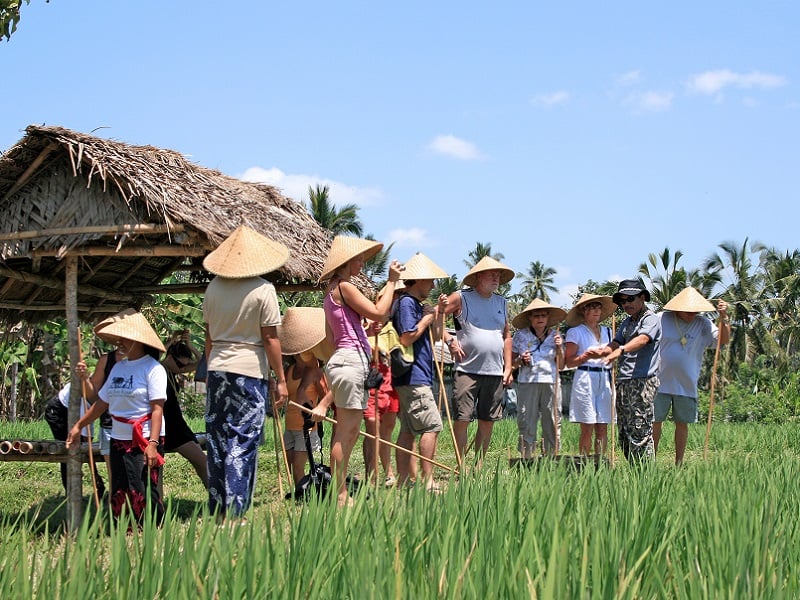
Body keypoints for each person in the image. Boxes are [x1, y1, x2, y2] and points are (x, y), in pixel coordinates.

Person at [202, 225, 289, 519]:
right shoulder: (264, 289)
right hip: (249, 370)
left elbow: (209, 338)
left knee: (217, 438)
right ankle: (236, 511)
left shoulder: (213, 287)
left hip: (218, 368)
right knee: (243, 438)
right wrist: (280, 378)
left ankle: (217, 507)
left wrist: (214, 363)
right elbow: (270, 338)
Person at [318, 235, 403, 507]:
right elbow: (379, 312)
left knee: (348, 430)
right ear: (345, 262)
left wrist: (362, 334)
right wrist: (391, 282)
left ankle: (338, 490)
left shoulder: (330, 294)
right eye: (358, 259)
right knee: (348, 430)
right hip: (350, 362)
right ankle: (340, 493)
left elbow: (334, 340)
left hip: (343, 360)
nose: (362, 263)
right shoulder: (345, 287)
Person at [66, 308, 168, 523]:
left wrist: (153, 443)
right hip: (119, 437)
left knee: (143, 485)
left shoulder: (153, 368)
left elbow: (157, 409)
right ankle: (124, 529)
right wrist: (78, 426)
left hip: (144, 437)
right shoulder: (118, 368)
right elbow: (102, 402)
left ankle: (151, 529)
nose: (119, 343)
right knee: (120, 486)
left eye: (124, 339)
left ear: (138, 341)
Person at [444, 256, 514, 464]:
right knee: (462, 418)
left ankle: (479, 464)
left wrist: (508, 367)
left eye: (498, 274)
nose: (496, 278)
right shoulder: (461, 297)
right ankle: (461, 465)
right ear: (477, 277)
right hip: (467, 369)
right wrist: (450, 341)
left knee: (488, 420)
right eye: (491, 274)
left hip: (494, 370)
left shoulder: (501, 302)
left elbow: (507, 336)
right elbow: (436, 317)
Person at [392, 253, 449, 492]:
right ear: (418, 280)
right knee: (431, 426)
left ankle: (405, 479)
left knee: (408, 429)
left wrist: (439, 314)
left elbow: (434, 337)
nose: (434, 285)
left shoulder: (416, 305)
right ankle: (427, 481)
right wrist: (427, 318)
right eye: (430, 280)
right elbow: (407, 336)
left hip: (417, 374)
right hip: (414, 375)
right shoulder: (406, 303)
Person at [655, 287, 730, 465]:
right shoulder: (661, 319)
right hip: (659, 381)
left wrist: (723, 318)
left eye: (694, 309)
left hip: (686, 383)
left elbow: (723, 341)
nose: (691, 313)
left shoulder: (703, 323)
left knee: (682, 423)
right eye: (687, 310)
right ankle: (651, 460)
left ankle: (679, 462)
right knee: (655, 421)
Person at [604, 279, 661, 464]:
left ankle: (646, 476)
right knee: (625, 430)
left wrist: (619, 351)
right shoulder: (627, 323)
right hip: (624, 381)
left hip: (642, 382)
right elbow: (616, 342)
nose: (626, 304)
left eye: (630, 299)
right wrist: (603, 350)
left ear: (642, 297)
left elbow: (643, 339)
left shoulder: (650, 319)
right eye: (622, 301)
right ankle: (634, 473)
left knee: (640, 429)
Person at [277, 307, 330, 487]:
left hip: (307, 427)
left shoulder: (315, 372)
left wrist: (320, 408)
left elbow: (326, 396)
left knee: (299, 465)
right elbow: (282, 395)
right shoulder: (289, 370)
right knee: (292, 464)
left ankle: (300, 497)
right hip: (290, 425)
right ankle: (300, 492)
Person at [511, 298, 566, 458]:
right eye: (536, 316)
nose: (540, 318)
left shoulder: (556, 335)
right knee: (526, 418)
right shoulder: (521, 336)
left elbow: (561, 365)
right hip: (528, 382)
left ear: (548, 317)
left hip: (551, 381)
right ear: (530, 318)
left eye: (543, 315)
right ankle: (526, 456)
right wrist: (521, 360)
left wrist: (559, 348)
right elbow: (511, 364)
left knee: (553, 419)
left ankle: (551, 455)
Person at [564, 294, 617, 456]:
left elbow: (615, 354)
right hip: (585, 378)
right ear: (583, 310)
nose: (595, 310)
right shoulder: (576, 332)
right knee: (587, 425)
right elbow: (569, 361)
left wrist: (611, 357)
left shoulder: (609, 331)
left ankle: (600, 464)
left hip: (605, 378)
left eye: (598, 307)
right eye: (591, 307)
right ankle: (584, 464)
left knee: (602, 426)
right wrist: (586, 356)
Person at [161, 331, 208, 488]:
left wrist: (190, 346)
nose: (183, 369)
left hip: (178, 425)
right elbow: (154, 358)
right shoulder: (158, 369)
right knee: (202, 461)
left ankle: (218, 499)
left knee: (202, 463)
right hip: (169, 428)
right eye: (181, 365)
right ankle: (219, 500)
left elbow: (202, 363)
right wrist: (170, 342)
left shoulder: (172, 373)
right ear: (169, 358)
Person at [44, 381, 105, 498]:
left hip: (72, 410)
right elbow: (85, 430)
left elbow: (88, 430)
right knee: (68, 449)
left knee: (79, 447)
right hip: (58, 411)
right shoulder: (84, 396)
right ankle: (71, 493)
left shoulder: (98, 390)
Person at [363, 317, 400, 487]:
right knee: (372, 427)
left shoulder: (392, 324)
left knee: (387, 429)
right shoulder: (363, 322)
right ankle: (371, 474)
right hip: (373, 378)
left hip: (391, 379)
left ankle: (388, 472)